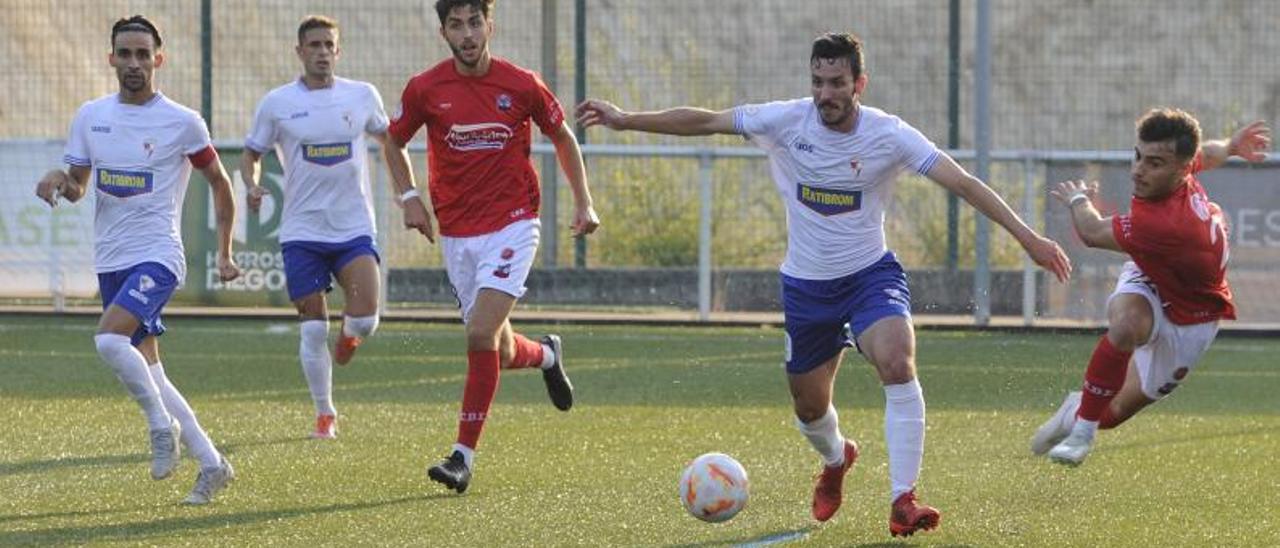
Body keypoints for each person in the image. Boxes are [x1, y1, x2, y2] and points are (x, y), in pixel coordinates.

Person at [577, 32, 1071, 536]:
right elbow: (706, 120)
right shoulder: (785, 120)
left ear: (860, 83)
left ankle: (904, 499)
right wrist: (626, 118)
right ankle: (837, 459)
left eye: (836, 82)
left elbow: (964, 182)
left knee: (898, 362)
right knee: (810, 408)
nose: (825, 93)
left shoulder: (890, 134)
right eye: (817, 82)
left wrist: (1029, 238)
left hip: (869, 276)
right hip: (807, 287)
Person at [382, 0, 600, 494]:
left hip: (513, 223)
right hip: (458, 234)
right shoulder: (425, 88)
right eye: (456, 25)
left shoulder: (521, 83)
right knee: (496, 347)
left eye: (474, 22)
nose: (467, 33)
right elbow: (393, 142)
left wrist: (584, 202)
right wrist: (410, 199)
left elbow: (563, 137)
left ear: (489, 26)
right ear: (443, 33)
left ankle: (462, 457)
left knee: (479, 335)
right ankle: (546, 355)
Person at [33, 15, 242, 505]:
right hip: (112, 258)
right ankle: (213, 464)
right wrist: (57, 179)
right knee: (153, 371)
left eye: (142, 54)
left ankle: (158, 424)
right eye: (124, 54)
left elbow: (219, 182)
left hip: (159, 254)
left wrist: (225, 251)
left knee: (108, 340)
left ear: (158, 60)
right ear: (111, 59)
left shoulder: (182, 121)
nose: (133, 63)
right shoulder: (91, 116)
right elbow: (80, 184)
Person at [1033, 111, 1270, 466]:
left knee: (1110, 414)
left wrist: (1078, 199)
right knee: (1127, 325)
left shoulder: (1163, 225)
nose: (1138, 170)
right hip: (1153, 276)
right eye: (1137, 156)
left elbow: (1092, 232)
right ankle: (1082, 432)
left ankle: (1074, 411)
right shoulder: (1180, 172)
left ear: (1181, 168)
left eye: (1154, 163)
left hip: (1194, 320)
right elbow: (1211, 152)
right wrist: (1232, 146)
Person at [241, 15, 423, 439]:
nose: (322, 52)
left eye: (329, 45)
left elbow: (390, 141)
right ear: (299, 51)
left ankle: (351, 335)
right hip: (302, 232)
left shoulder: (362, 96)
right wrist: (251, 184)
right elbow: (251, 153)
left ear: (338, 52)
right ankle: (325, 413)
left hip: (353, 227)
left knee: (364, 322)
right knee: (312, 325)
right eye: (314, 45)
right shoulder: (277, 103)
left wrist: (408, 193)